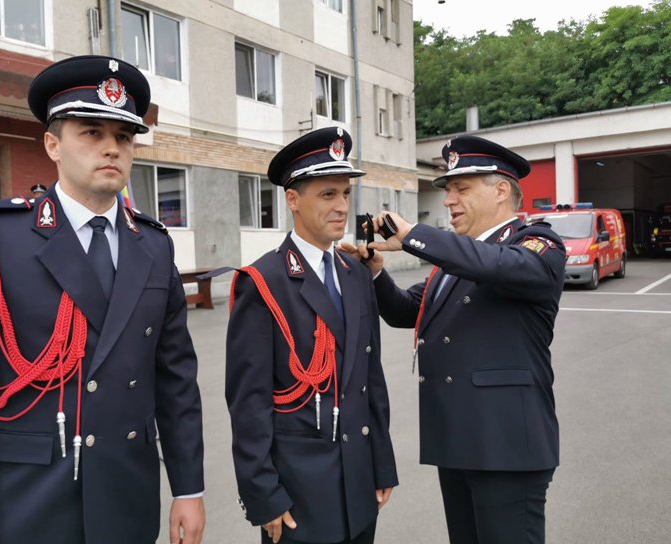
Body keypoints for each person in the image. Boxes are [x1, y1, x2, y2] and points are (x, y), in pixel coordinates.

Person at [0, 55, 205, 544]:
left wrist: (189, 488)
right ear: (52, 144)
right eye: (91, 133)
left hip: (128, 496)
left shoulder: (154, 244)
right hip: (28, 501)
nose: (111, 148)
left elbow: (175, 379)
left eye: (123, 137)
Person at [341, 135, 566, 544]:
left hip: (506, 449)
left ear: (501, 190)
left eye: (461, 188)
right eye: (448, 190)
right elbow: (407, 310)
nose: (449, 200)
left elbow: (499, 266)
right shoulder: (459, 257)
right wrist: (375, 271)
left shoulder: (536, 244)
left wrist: (416, 236)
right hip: (460, 442)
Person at [225, 127, 398, 544]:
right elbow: (248, 402)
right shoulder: (264, 281)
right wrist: (263, 494)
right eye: (327, 195)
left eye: (344, 194)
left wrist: (381, 463)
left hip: (359, 484)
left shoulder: (356, 273)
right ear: (292, 199)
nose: (341, 206)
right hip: (298, 496)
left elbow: (369, 377)